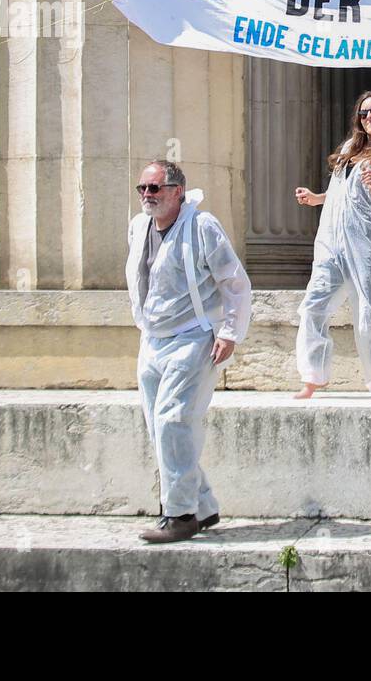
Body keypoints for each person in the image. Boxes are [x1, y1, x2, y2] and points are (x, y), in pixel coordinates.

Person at [125, 159, 252, 543]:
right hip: (152, 338)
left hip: (193, 335)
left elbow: (233, 281)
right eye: (143, 189)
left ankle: (180, 515)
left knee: (173, 419)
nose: (148, 195)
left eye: (155, 188)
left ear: (177, 191)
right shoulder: (138, 227)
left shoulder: (201, 226)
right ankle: (203, 504)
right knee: (156, 425)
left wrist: (229, 332)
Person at [293, 91, 371, 399]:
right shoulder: (351, 148)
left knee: (369, 314)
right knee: (313, 306)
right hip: (331, 241)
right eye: (364, 113)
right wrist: (317, 198)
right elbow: (343, 192)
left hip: (367, 245)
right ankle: (313, 376)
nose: (369, 117)